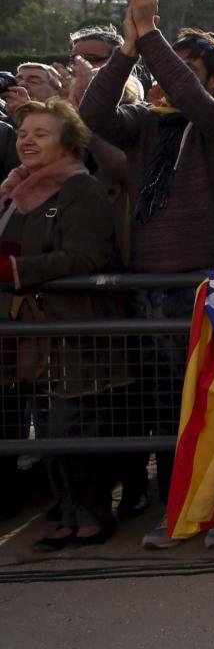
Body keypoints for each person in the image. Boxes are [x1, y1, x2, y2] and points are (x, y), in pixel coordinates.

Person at [79, 0, 214, 549]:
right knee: (165, 411)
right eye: (160, 69)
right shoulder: (146, 126)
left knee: (213, 403)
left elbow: (193, 99)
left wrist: (150, 36)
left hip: (209, 283)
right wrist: (126, 51)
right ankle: (180, 509)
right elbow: (92, 114)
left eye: (187, 68)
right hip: (147, 283)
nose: (165, 80)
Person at [2, 99, 127, 551]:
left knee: (72, 427)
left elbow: (84, 258)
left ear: (68, 142)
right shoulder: (14, 190)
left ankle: (91, 516)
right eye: (22, 133)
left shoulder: (80, 190)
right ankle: (70, 512)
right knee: (48, 427)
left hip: (75, 330)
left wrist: (12, 269)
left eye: (41, 133)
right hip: (31, 334)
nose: (27, 141)